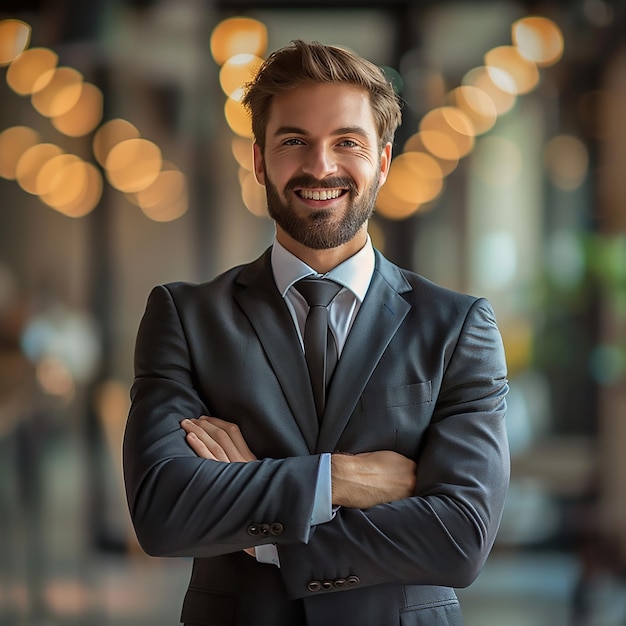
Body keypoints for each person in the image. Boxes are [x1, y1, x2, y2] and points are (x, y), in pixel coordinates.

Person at [123, 39, 510, 626]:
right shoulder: (185, 318)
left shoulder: (457, 328)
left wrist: (264, 527)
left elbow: (460, 537)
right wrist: (341, 479)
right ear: (259, 160)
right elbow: (164, 510)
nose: (321, 166)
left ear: (382, 160)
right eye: (294, 141)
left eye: (347, 142)